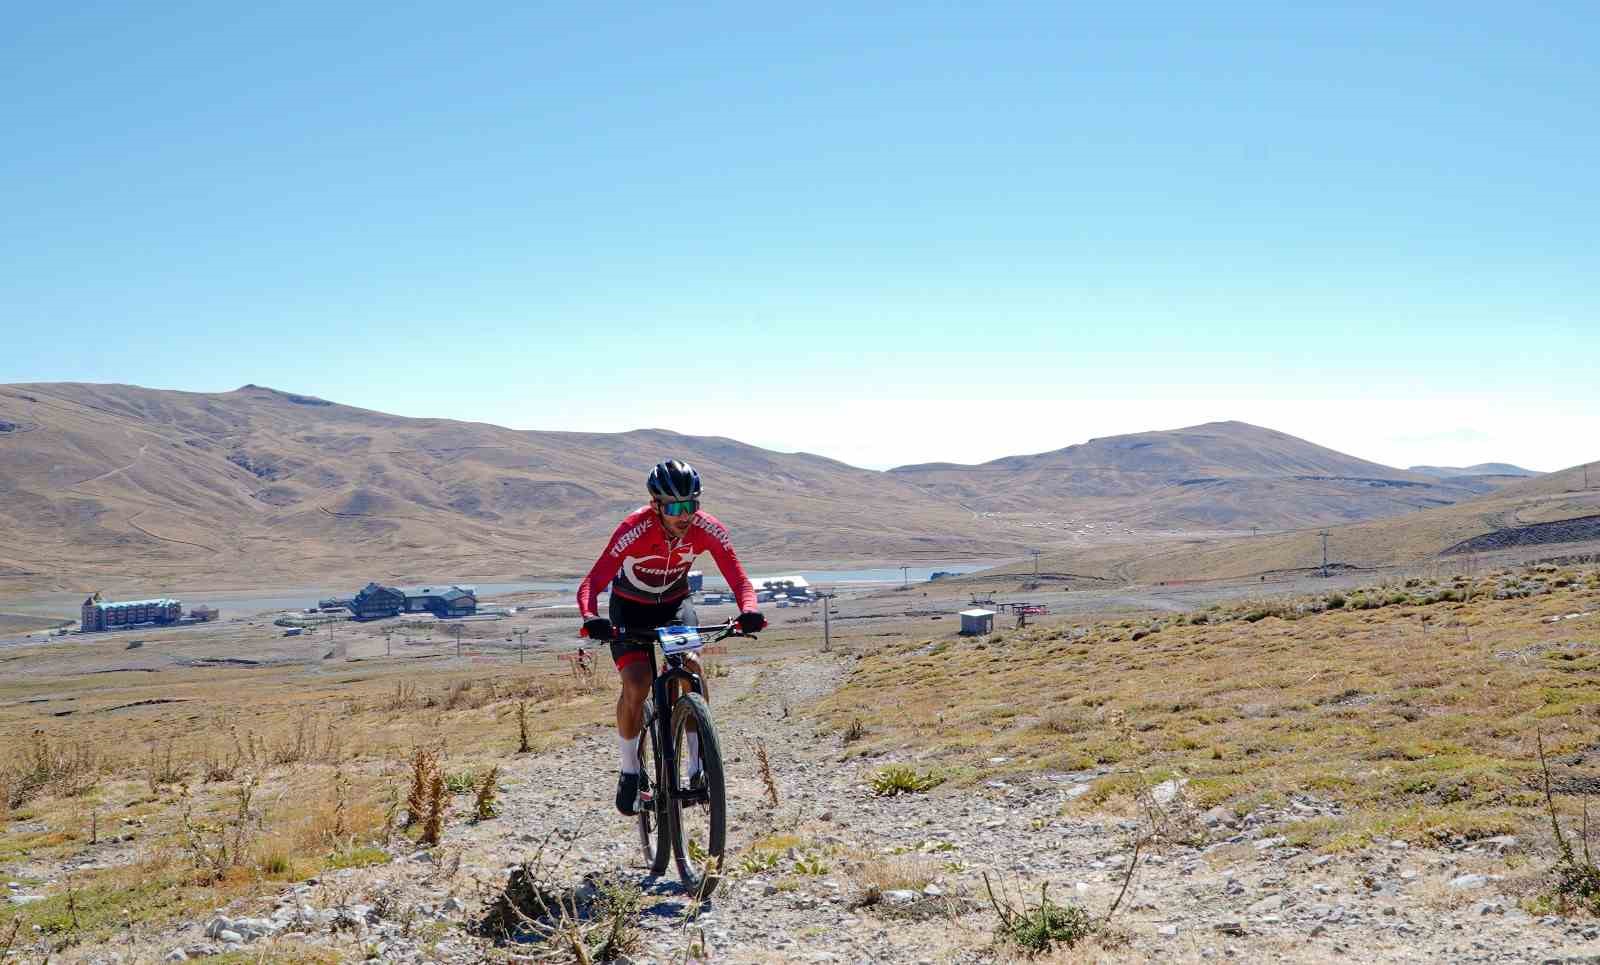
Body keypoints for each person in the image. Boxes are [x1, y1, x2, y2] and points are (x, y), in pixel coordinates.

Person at [577, 459, 765, 816]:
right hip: (629, 609)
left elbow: (738, 577)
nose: (685, 515)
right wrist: (591, 618)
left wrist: (750, 610)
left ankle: (698, 766)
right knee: (637, 681)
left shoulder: (708, 529)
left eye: (692, 505)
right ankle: (630, 771)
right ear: (656, 505)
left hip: (674, 607)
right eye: (676, 507)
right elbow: (592, 582)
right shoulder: (633, 529)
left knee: (691, 666)